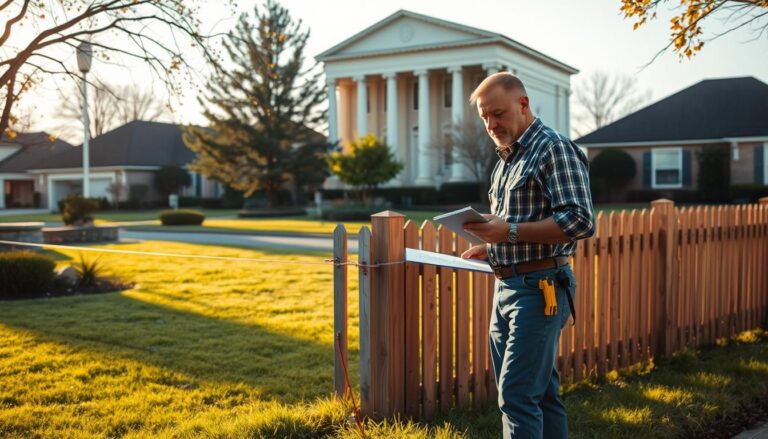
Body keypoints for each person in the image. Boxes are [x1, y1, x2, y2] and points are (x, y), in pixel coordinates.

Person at [461, 72, 594, 438]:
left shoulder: (554, 148)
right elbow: (513, 224)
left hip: (541, 290)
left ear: (523, 104)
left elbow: (580, 221)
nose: (491, 124)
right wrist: (491, 247)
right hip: (506, 289)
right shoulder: (506, 161)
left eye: (498, 114)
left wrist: (508, 232)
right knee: (542, 394)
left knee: (517, 396)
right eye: (485, 117)